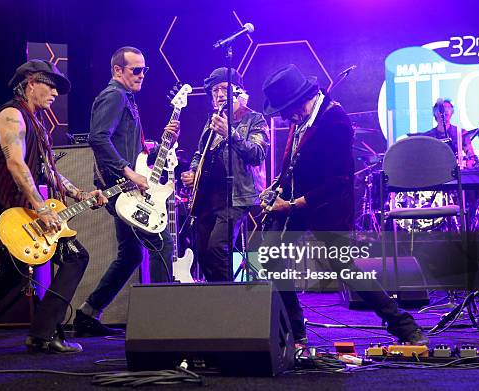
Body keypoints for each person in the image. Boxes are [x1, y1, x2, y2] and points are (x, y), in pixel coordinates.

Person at [0, 60, 107, 354]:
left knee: (11, 276)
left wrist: (80, 194)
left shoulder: (35, 121)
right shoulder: (12, 116)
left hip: (24, 209)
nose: (55, 93)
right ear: (30, 83)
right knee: (75, 257)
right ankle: (42, 335)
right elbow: (15, 162)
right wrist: (42, 209)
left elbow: (44, 169)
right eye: (49, 85)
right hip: (9, 210)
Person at [259, 64, 429, 345]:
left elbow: (337, 182)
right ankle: (295, 332)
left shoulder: (334, 120)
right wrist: (277, 185)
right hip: (295, 201)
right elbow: (297, 163)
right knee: (271, 256)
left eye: (286, 110)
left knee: (345, 268)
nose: (285, 117)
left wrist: (288, 205)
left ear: (301, 100)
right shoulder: (301, 118)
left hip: (327, 205)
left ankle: (404, 324)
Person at [74, 47, 179, 336]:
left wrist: (157, 147)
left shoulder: (126, 98)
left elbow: (129, 149)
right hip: (122, 189)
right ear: (118, 71)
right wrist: (128, 171)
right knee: (161, 243)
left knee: (131, 254)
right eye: (136, 70)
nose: (142, 75)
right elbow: (98, 138)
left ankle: (87, 314)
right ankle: (162, 323)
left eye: (145, 70)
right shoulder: (114, 96)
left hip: (126, 188)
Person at [180, 67, 269, 282]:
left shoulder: (254, 119)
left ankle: (230, 299)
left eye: (224, 89)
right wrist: (193, 171)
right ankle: (216, 298)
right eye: (214, 91)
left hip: (235, 197)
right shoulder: (212, 122)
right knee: (201, 251)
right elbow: (200, 153)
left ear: (237, 92)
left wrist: (230, 133)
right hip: (207, 199)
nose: (219, 95)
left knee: (217, 248)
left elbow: (257, 154)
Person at [421, 99, 477, 169]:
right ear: (435, 112)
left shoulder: (461, 133)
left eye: (449, 108)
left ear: (452, 112)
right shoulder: (428, 136)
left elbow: (471, 155)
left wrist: (469, 164)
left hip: (457, 172)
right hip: (435, 172)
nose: (446, 110)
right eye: (443, 108)